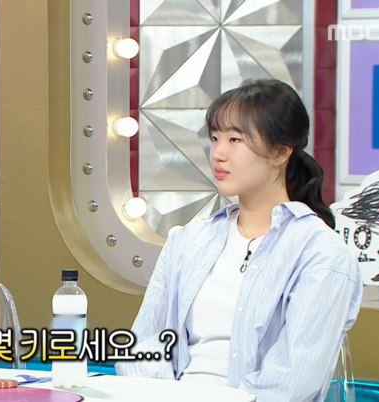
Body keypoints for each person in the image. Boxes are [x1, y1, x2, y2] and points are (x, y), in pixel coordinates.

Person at [116, 79, 363, 401]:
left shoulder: (320, 252)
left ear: (281, 152)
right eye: (214, 138)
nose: (218, 154)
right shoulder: (189, 240)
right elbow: (143, 346)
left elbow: (293, 380)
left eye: (235, 139)